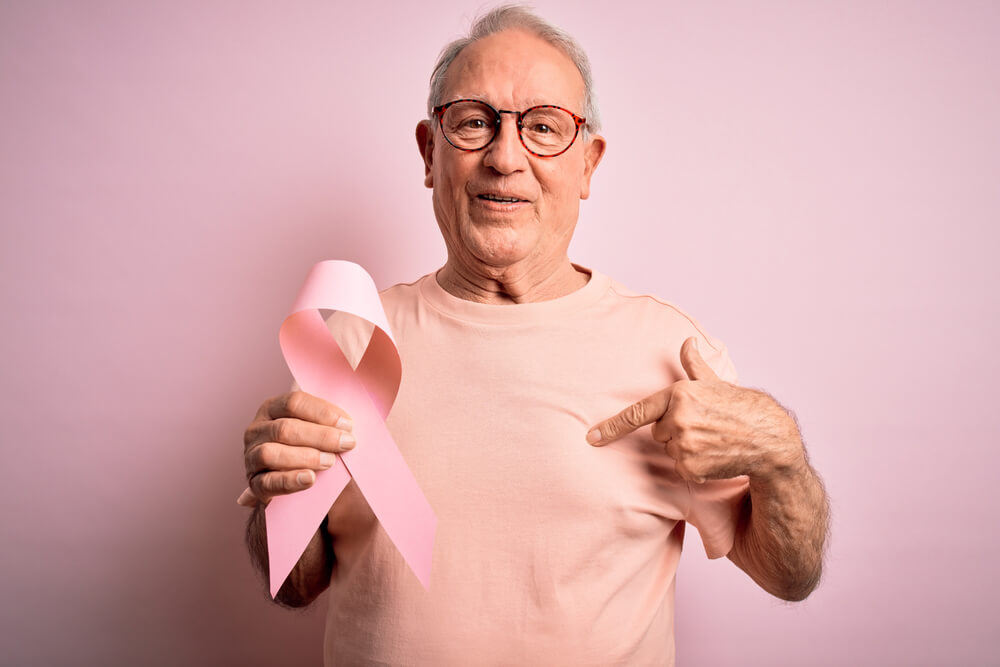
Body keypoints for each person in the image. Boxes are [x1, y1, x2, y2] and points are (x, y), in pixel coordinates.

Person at [239, 5, 829, 665]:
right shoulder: (352, 340)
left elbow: (790, 573)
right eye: (473, 122)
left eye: (543, 128)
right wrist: (277, 497)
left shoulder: (671, 351)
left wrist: (782, 453)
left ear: (588, 164)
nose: (504, 157)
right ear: (430, 154)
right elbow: (295, 584)